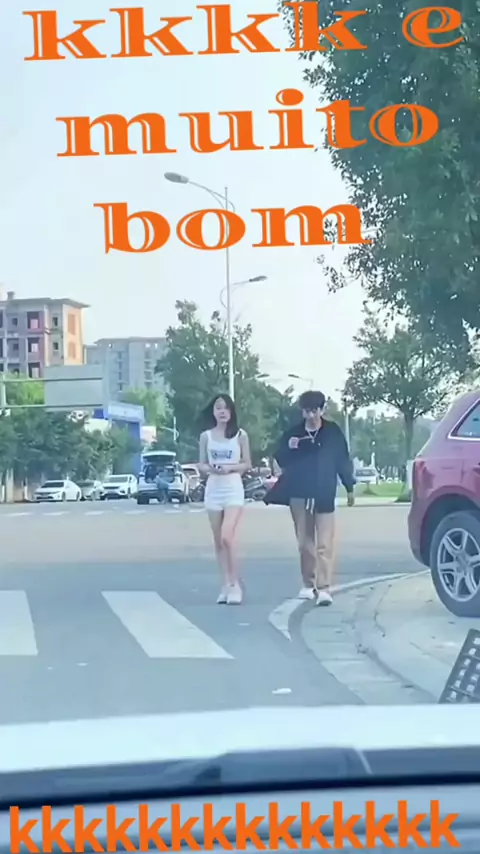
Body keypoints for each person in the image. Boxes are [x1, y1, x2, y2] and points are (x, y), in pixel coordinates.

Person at [265, 389, 355, 606]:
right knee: (305, 543)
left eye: (315, 411)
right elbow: (280, 458)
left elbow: (343, 460)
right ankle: (308, 583)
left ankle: (324, 588)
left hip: (324, 492)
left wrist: (349, 486)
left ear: (322, 410)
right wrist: (291, 448)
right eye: (307, 411)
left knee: (324, 544)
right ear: (302, 412)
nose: (311, 416)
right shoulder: (293, 433)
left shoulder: (332, 432)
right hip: (299, 492)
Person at [198, 393, 252, 605]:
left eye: (226, 408)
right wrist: (211, 468)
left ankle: (236, 584)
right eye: (218, 408)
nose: (222, 412)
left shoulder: (240, 435)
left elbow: (247, 463)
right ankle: (226, 584)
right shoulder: (206, 436)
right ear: (213, 412)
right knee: (218, 541)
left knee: (227, 537)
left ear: (231, 411)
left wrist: (230, 467)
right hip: (214, 489)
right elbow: (201, 464)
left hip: (233, 488)